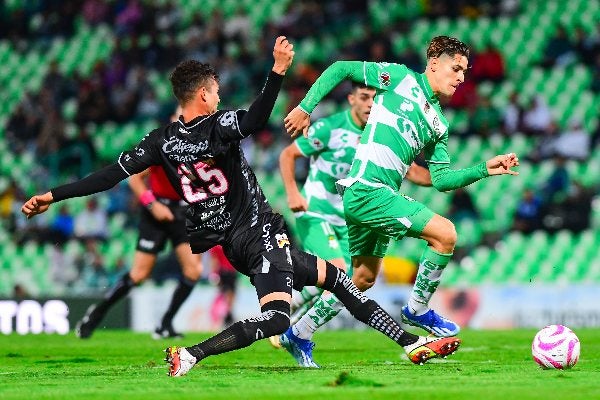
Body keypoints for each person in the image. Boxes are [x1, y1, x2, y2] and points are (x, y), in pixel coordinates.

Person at [22, 37, 460, 377]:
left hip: (232, 241)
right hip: (256, 231)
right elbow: (253, 120)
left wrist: (53, 195)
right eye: (215, 91)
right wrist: (277, 73)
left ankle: (408, 343)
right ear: (204, 97)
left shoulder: (160, 141)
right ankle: (192, 354)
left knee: (338, 279)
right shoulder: (217, 126)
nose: (218, 95)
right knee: (276, 318)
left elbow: (107, 175)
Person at [284, 35, 518, 365]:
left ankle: (299, 334)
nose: (462, 77)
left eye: (465, 71)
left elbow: (440, 180)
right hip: (366, 189)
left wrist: (484, 168)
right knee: (446, 234)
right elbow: (340, 68)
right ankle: (417, 310)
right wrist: (305, 107)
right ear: (434, 63)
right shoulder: (399, 77)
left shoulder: (439, 124)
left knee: (360, 279)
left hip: (376, 196)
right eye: (456, 68)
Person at [272, 83, 431, 356]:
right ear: (351, 100)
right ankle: (292, 324)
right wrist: (292, 192)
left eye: (374, 98)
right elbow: (288, 154)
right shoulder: (330, 128)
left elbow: (415, 173)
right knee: (337, 271)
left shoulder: (380, 136)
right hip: (315, 210)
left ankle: (292, 305)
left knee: (349, 281)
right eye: (364, 97)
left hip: (348, 219)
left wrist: (451, 178)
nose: (370, 103)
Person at [75, 164, 203, 339]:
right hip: (155, 211)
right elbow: (134, 178)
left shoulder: (200, 147)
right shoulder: (163, 144)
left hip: (185, 211)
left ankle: (165, 324)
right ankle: (96, 313)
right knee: (139, 274)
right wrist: (152, 205)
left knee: (193, 271)